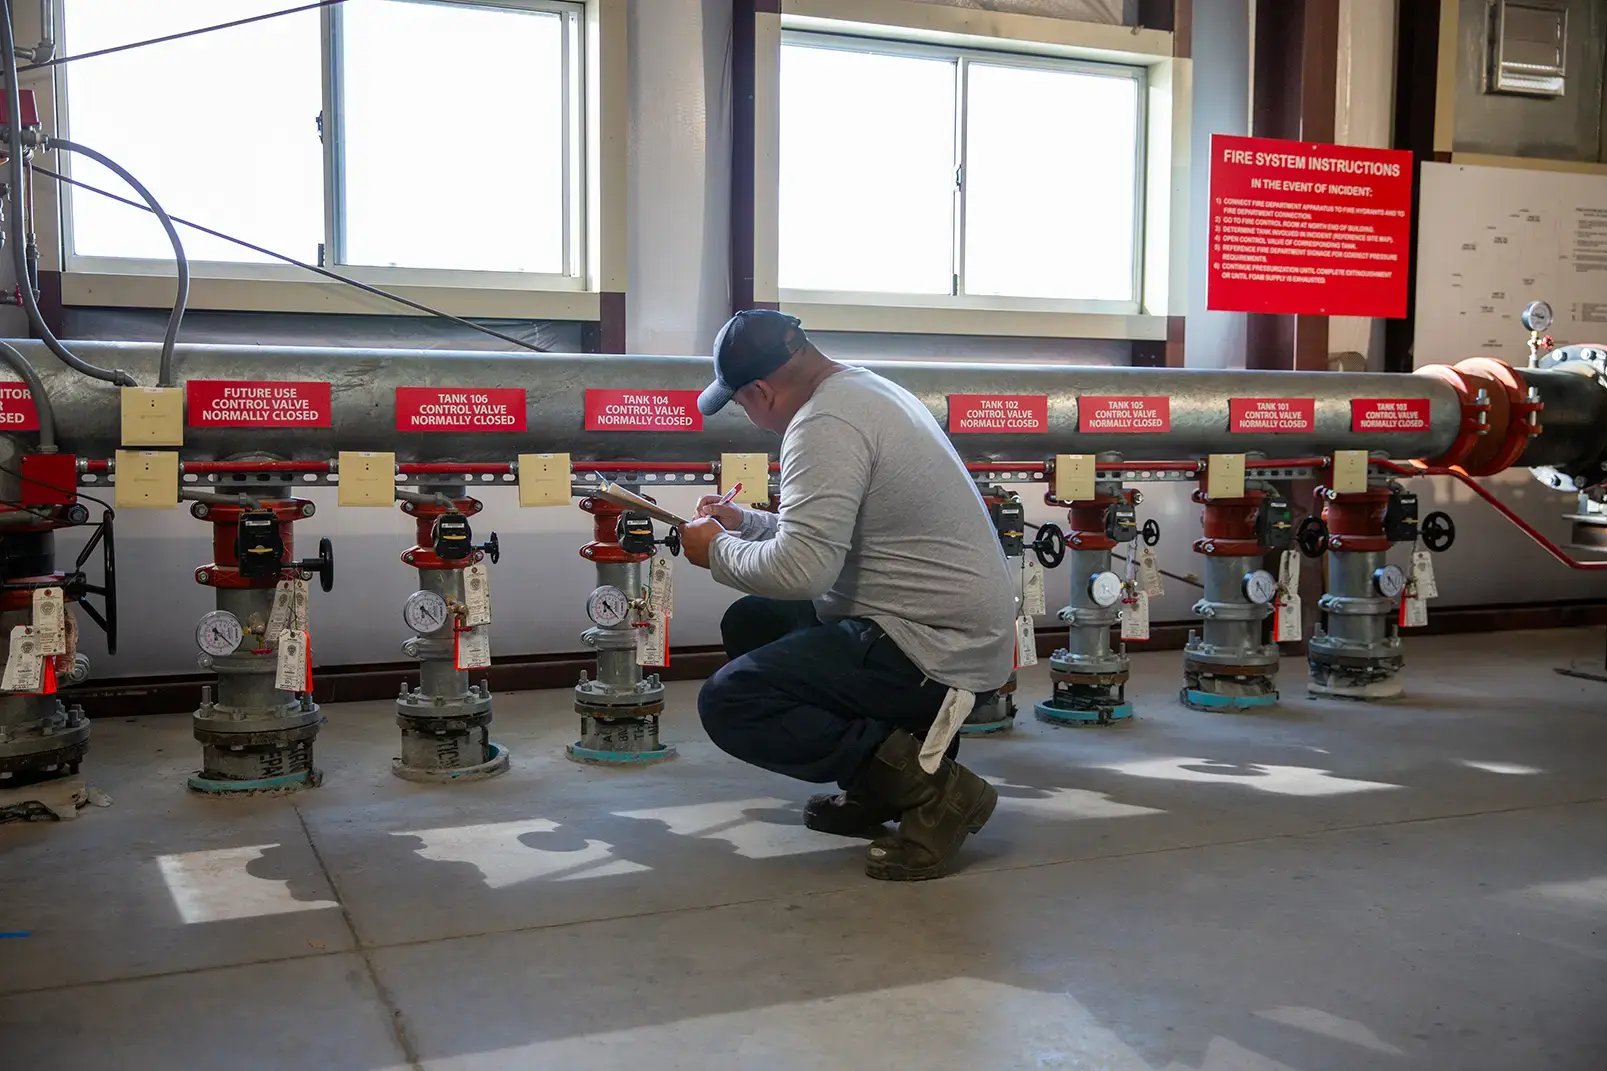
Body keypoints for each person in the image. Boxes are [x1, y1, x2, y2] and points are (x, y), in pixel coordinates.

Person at [677, 309, 1017, 881]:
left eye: (739, 402)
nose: (746, 414)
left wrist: (713, 550)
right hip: (943, 626)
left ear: (761, 391)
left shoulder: (824, 424)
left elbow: (802, 572)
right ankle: (882, 784)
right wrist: (742, 523)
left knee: (731, 701)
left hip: (933, 645)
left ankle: (934, 792)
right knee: (754, 623)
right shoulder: (861, 389)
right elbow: (825, 535)